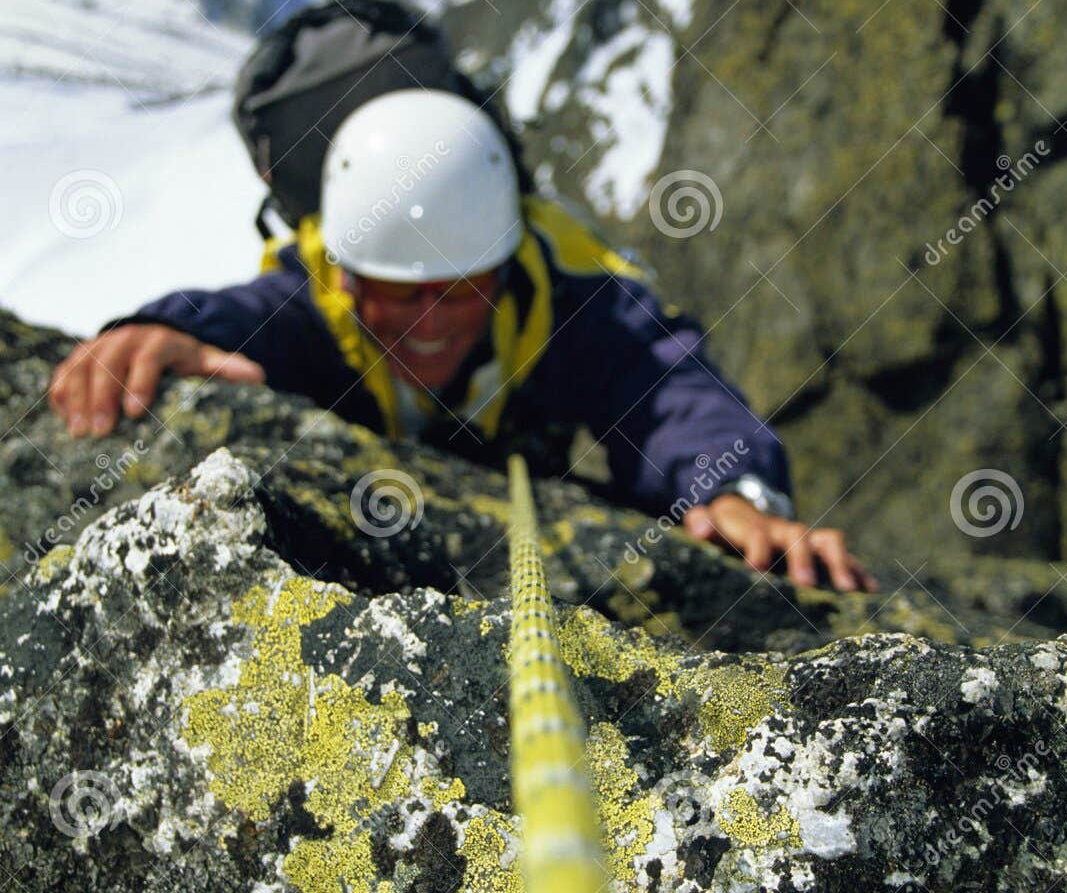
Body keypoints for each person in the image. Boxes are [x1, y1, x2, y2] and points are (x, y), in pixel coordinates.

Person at [49, 90, 877, 592]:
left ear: (504, 268)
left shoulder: (571, 302)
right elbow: (240, 312)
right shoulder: (314, 300)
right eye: (401, 296)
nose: (432, 323)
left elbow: (665, 384)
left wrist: (732, 492)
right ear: (343, 277)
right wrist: (164, 330)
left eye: (458, 291)